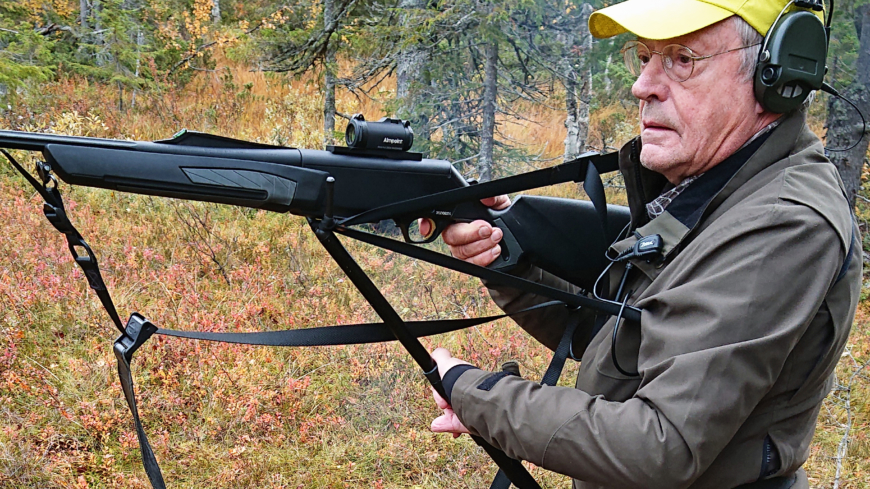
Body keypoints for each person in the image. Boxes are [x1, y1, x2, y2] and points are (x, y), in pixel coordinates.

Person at [423, 0, 862, 487]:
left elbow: (659, 444)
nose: (642, 86)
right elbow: (628, 345)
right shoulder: (713, 189)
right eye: (645, 56)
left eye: (682, 59)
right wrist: (508, 260)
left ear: (775, 75)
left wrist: (476, 393)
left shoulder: (783, 225)